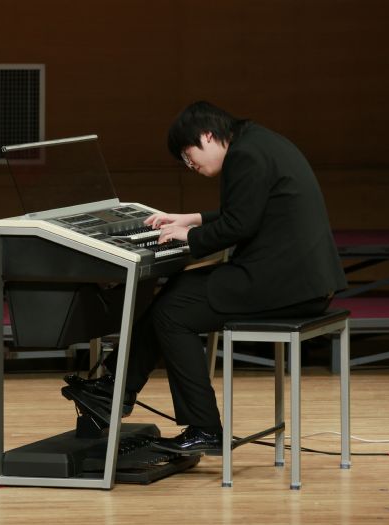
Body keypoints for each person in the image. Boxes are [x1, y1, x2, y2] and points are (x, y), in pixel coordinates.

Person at [69, 100, 347, 455]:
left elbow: (240, 224)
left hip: (286, 285)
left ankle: (201, 427)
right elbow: (249, 209)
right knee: (179, 291)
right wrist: (194, 219)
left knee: (173, 312)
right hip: (297, 279)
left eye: (189, 156)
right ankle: (113, 387)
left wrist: (189, 237)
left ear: (207, 136)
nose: (192, 166)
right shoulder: (258, 142)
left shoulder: (245, 155)